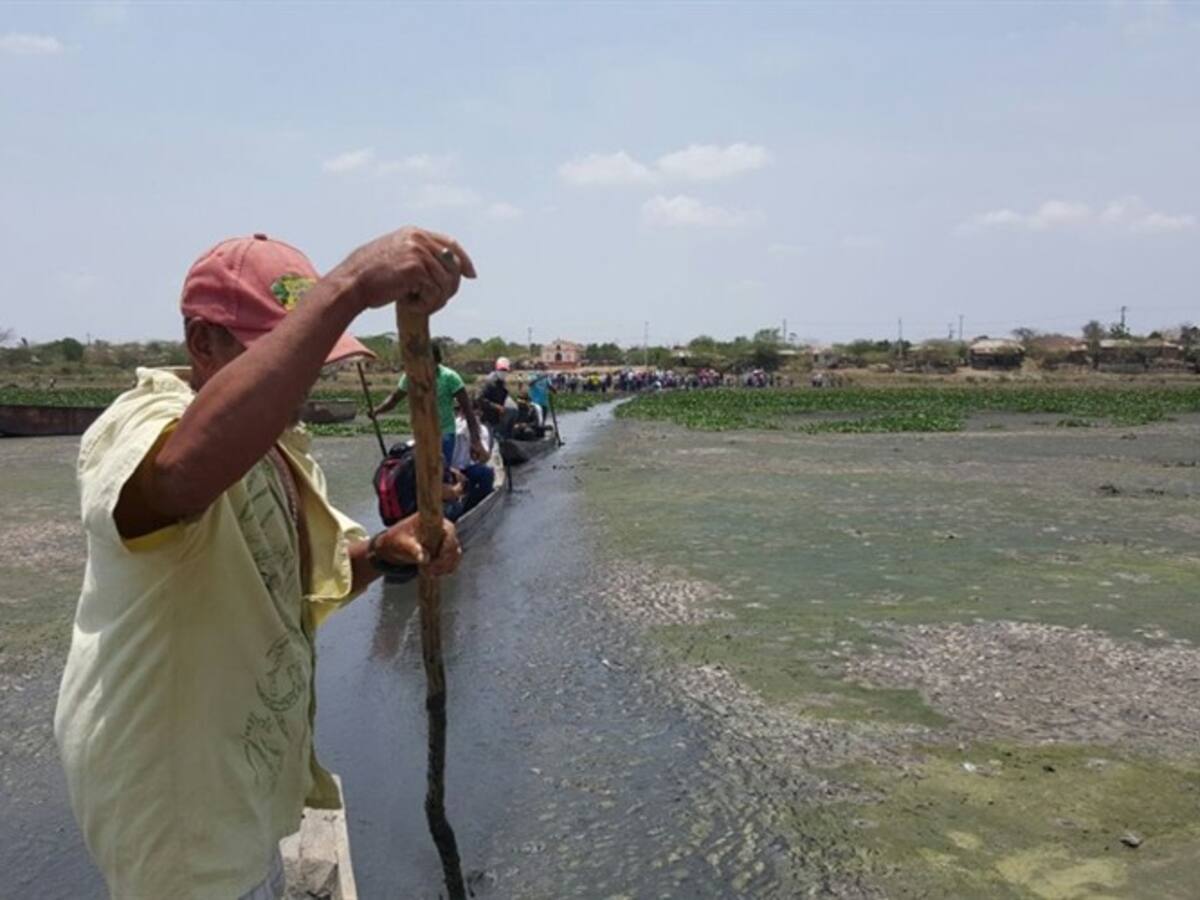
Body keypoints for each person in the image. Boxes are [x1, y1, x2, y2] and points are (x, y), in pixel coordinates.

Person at [54, 228, 473, 900]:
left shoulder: (276, 450)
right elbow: (178, 477)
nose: (303, 379)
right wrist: (348, 288)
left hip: (242, 774)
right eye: (287, 351)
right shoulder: (144, 420)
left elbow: (298, 586)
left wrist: (382, 551)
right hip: (177, 797)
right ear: (202, 343)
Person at [371, 341, 487, 467]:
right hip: (422, 434)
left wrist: (475, 441)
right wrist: (377, 411)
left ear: (436, 361)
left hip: (445, 433)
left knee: (440, 473)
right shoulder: (411, 376)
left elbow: (467, 409)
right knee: (420, 473)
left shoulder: (450, 377)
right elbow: (394, 399)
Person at [477, 356, 517, 438]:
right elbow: (479, 399)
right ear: (496, 369)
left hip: (496, 418)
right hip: (487, 418)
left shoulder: (501, 383)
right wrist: (496, 406)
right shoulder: (489, 382)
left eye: (505, 370)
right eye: (501, 370)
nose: (503, 372)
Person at [525, 362, 556, 427]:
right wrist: (540, 377)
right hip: (534, 402)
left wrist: (553, 389)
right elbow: (530, 383)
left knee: (542, 421)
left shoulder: (546, 377)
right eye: (540, 368)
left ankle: (541, 430)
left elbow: (550, 386)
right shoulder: (532, 375)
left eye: (543, 369)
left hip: (544, 402)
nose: (541, 370)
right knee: (536, 420)